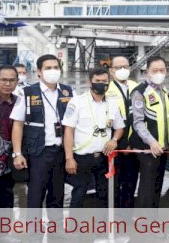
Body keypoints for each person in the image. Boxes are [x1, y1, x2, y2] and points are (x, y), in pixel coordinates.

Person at [11, 54, 74, 213]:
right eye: (48, 68)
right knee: (35, 195)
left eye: (56, 68)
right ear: (39, 71)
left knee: (57, 195)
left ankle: (57, 233)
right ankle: (33, 233)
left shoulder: (67, 91)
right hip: (38, 152)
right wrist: (17, 153)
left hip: (60, 152)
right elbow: (17, 125)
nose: (53, 71)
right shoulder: (27, 93)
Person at [62, 68, 125, 208]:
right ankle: (74, 226)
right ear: (89, 82)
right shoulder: (77, 102)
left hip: (104, 157)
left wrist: (114, 140)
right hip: (82, 158)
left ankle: (100, 225)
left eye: (104, 81)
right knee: (79, 193)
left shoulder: (113, 103)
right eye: (97, 81)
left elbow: (120, 127)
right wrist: (69, 158)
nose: (101, 84)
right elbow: (68, 131)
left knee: (105, 194)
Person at [129, 55, 169, 208]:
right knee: (147, 188)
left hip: (162, 148)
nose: (159, 73)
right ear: (147, 71)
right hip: (148, 149)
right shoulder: (140, 92)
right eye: (155, 70)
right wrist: (151, 142)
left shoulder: (163, 90)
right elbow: (138, 122)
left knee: (157, 187)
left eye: (162, 70)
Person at [105, 56, 139, 208]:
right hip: (114, 143)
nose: (122, 70)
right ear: (111, 71)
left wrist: (132, 143)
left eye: (125, 66)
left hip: (134, 143)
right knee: (113, 182)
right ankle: (114, 213)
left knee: (131, 180)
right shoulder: (106, 89)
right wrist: (121, 143)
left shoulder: (137, 87)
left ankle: (128, 211)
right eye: (118, 67)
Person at [0, 65, 18, 210]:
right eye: (3, 80)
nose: (8, 84)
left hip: (10, 163)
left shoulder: (19, 103)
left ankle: (2, 231)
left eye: (12, 80)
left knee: (6, 200)